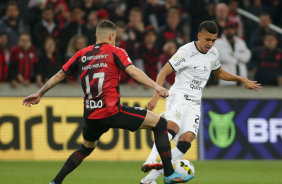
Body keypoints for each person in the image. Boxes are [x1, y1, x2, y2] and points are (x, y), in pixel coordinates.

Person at [22, 20, 194, 184]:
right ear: (112, 36)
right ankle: (169, 174)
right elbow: (133, 72)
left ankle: (55, 181)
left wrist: (39, 93)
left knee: (86, 148)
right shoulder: (115, 51)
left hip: (91, 114)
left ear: (96, 35)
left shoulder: (81, 54)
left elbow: (60, 74)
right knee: (161, 124)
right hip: (112, 112)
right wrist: (157, 86)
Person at [140, 21, 261, 184]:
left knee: (186, 141)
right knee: (172, 128)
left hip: (195, 102)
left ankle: (147, 181)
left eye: (213, 40)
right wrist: (155, 97)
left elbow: (218, 73)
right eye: (208, 40)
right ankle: (149, 160)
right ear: (199, 35)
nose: (210, 44)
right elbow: (163, 72)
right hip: (179, 96)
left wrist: (241, 79)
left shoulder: (213, 54)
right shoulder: (185, 51)